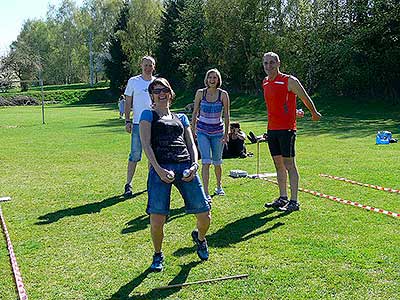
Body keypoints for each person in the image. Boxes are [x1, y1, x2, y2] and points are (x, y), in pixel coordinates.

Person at [139, 77, 211, 272]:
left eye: (164, 90)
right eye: (156, 91)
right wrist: (159, 170)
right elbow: (146, 145)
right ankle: (157, 254)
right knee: (157, 219)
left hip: (185, 168)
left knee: (204, 215)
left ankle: (200, 238)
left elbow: (191, 143)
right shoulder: (148, 115)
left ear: (170, 93)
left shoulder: (182, 118)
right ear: (152, 96)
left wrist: (194, 165)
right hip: (161, 169)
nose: (161, 93)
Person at [262, 52, 321, 212]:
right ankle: (283, 198)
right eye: (266, 63)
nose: (269, 66)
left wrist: (314, 112)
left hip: (286, 130)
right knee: (278, 164)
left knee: (289, 165)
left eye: (272, 63)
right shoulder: (265, 82)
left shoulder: (289, 80)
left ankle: (294, 201)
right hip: (272, 129)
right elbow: (278, 105)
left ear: (278, 63)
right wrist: (294, 112)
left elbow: (305, 97)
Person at [191, 69, 230, 201]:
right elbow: (195, 112)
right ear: (206, 79)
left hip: (218, 132)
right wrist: (192, 129)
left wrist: (226, 133)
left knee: (217, 162)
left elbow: (226, 115)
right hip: (202, 131)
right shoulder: (200, 93)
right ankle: (206, 193)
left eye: (215, 78)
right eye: (210, 78)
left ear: (218, 80)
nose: (212, 80)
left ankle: (219, 186)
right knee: (206, 162)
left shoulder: (223, 94)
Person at [123, 56, 156, 197]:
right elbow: (128, 101)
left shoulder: (157, 83)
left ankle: (151, 183)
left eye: (150, 65)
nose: (148, 68)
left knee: (152, 155)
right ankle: (128, 184)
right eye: (146, 65)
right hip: (137, 124)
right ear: (141, 66)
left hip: (154, 123)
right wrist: (127, 121)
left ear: (154, 67)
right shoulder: (133, 81)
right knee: (135, 155)